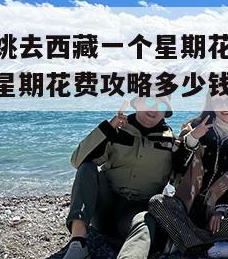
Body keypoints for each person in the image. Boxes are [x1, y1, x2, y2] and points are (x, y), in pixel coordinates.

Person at [149, 87, 228, 258]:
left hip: (216, 210)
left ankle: (186, 240)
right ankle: (211, 246)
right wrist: (193, 138)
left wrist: (221, 210)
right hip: (186, 205)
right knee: (157, 202)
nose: (224, 106)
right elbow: (177, 166)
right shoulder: (195, 126)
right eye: (218, 101)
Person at [62, 94, 178, 259]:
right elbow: (77, 161)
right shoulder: (117, 129)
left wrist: (192, 143)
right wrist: (108, 129)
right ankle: (78, 242)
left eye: (161, 106)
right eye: (150, 101)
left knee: (144, 221)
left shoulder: (171, 142)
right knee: (87, 167)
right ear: (138, 103)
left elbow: (181, 180)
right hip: (104, 209)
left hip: (135, 214)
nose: (153, 110)